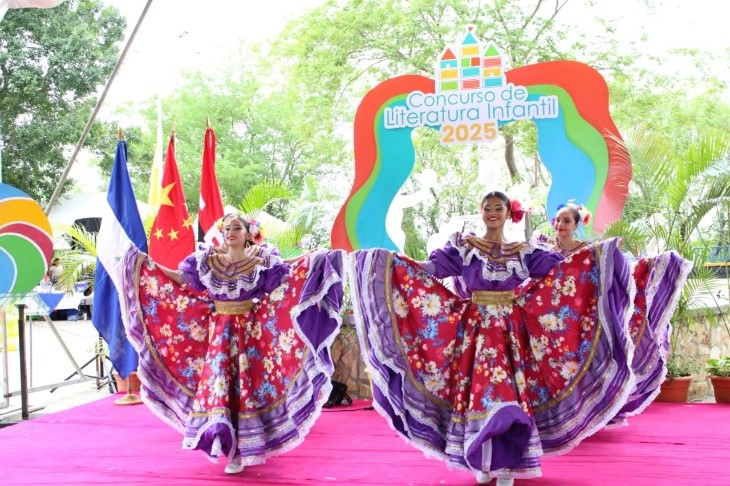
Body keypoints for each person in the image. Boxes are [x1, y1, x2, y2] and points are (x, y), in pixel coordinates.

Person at [349, 191, 636, 485]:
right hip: (475, 331)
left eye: (498, 208)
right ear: (482, 211)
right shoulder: (466, 247)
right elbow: (432, 270)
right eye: (488, 208)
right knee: (481, 392)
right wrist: (391, 263)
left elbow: (562, 271)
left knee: (507, 392)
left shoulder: (523, 251)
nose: (493, 213)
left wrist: (601, 254)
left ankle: (507, 464)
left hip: (512, 332)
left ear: (508, 213)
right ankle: (483, 459)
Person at [119, 213, 346, 475]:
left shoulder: (260, 259)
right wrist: (149, 266)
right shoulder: (208, 260)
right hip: (219, 337)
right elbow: (181, 279)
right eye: (227, 228)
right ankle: (227, 447)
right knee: (221, 388)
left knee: (246, 390)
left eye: (236, 228)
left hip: (250, 336)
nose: (230, 232)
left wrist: (312, 257)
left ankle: (242, 449)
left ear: (248, 233)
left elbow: (285, 270)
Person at [539, 202, 693, 425]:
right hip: (553, 321)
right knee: (556, 367)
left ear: (576, 225)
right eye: (558, 220)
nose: (560, 224)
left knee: (581, 364)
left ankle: (591, 412)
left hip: (583, 318)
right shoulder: (546, 250)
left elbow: (609, 270)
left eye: (566, 221)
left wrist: (617, 252)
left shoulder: (588, 250)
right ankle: (559, 416)